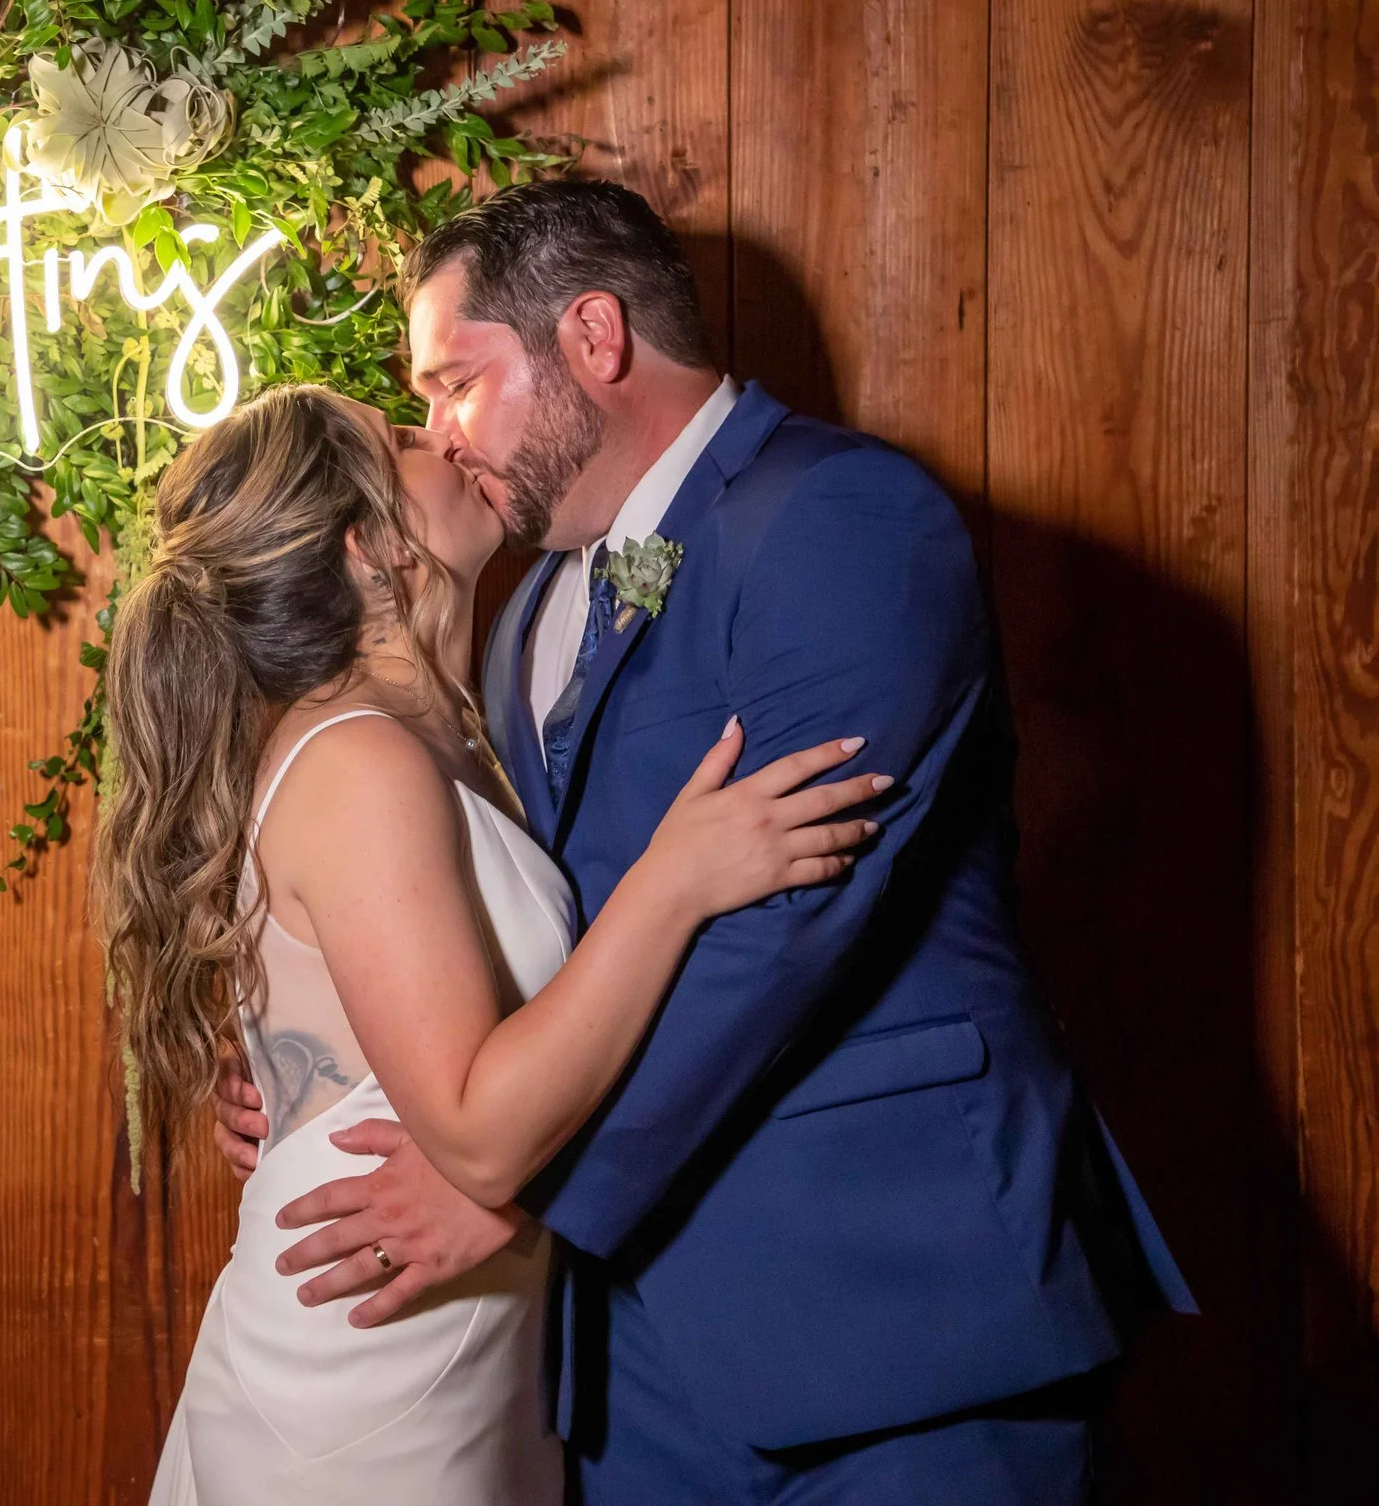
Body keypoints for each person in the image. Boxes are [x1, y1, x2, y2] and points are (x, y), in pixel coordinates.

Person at [211, 179, 1195, 1503]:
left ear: (595, 337)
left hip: (893, 1316)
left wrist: (520, 1190)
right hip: (630, 1364)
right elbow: (508, 930)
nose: (439, 433)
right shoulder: (522, 616)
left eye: (454, 383)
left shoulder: (842, 513)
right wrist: (323, 1066)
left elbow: (788, 926)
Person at [101, 382, 889, 1504]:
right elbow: (472, 1132)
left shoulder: (452, 728)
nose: (448, 440)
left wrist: (294, 1086)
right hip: (369, 1363)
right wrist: (673, 880)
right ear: (366, 545)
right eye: (409, 438)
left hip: (473, 1355)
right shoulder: (358, 760)